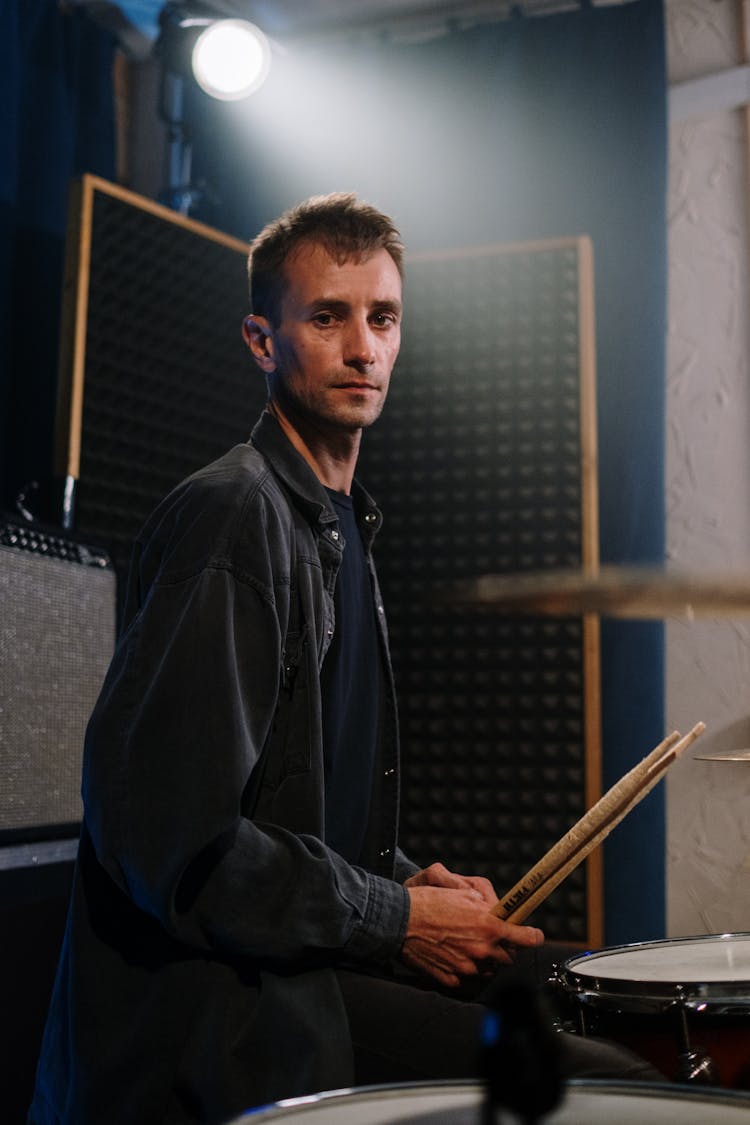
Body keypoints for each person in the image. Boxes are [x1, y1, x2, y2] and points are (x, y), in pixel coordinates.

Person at [28, 193, 656, 1125]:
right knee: (618, 1084)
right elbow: (175, 846)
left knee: (595, 989)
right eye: (328, 317)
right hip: (222, 1013)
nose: (364, 347)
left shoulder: (340, 524)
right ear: (259, 339)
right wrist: (398, 920)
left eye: (383, 318)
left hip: (295, 961)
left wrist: (400, 880)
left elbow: (292, 815)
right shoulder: (234, 517)